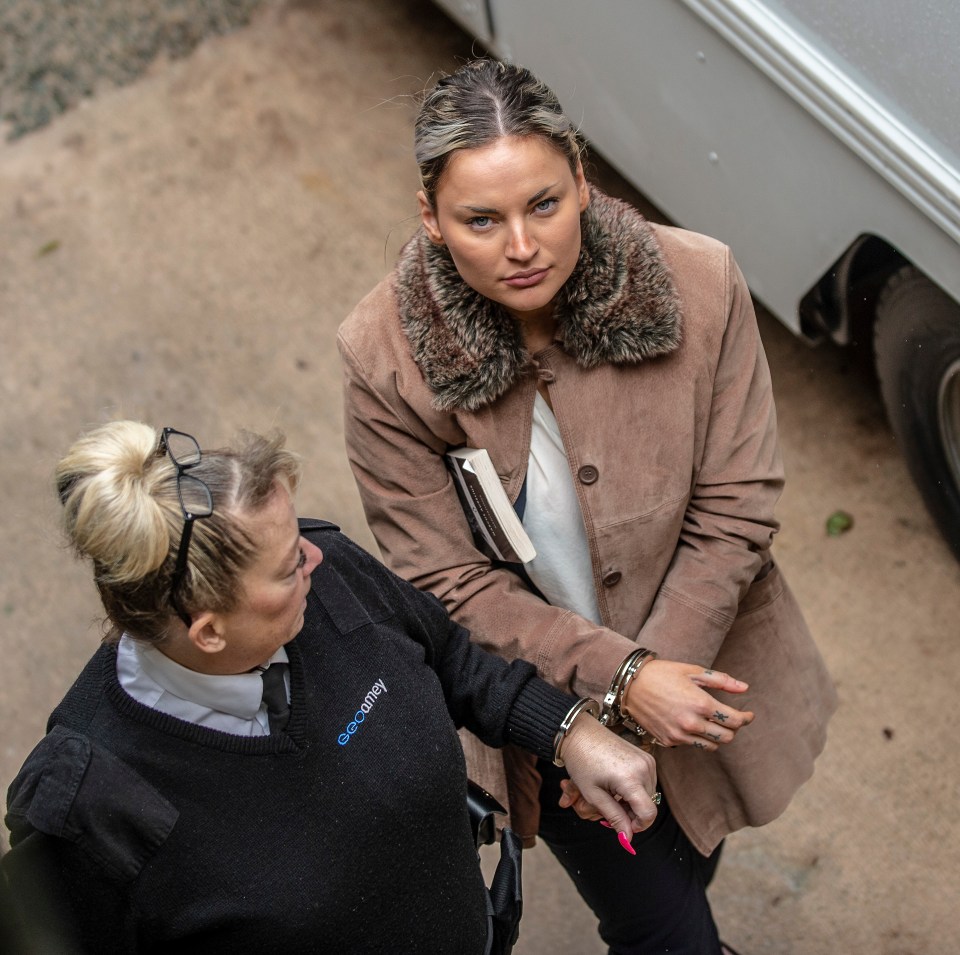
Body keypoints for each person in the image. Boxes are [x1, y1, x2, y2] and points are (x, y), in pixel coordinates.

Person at [337, 58, 838, 954]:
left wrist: (649, 681)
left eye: (543, 205)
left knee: (696, 841)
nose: (520, 247)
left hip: (707, 664)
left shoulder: (702, 282)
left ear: (581, 181)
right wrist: (603, 700)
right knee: (666, 931)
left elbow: (738, 504)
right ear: (430, 219)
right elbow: (443, 580)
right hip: (542, 719)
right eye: (479, 220)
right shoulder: (382, 360)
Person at [1, 420, 663, 955]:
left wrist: (570, 729)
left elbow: (455, 659)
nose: (317, 556)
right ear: (206, 631)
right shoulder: (89, 804)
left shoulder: (329, 574)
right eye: (289, 565)